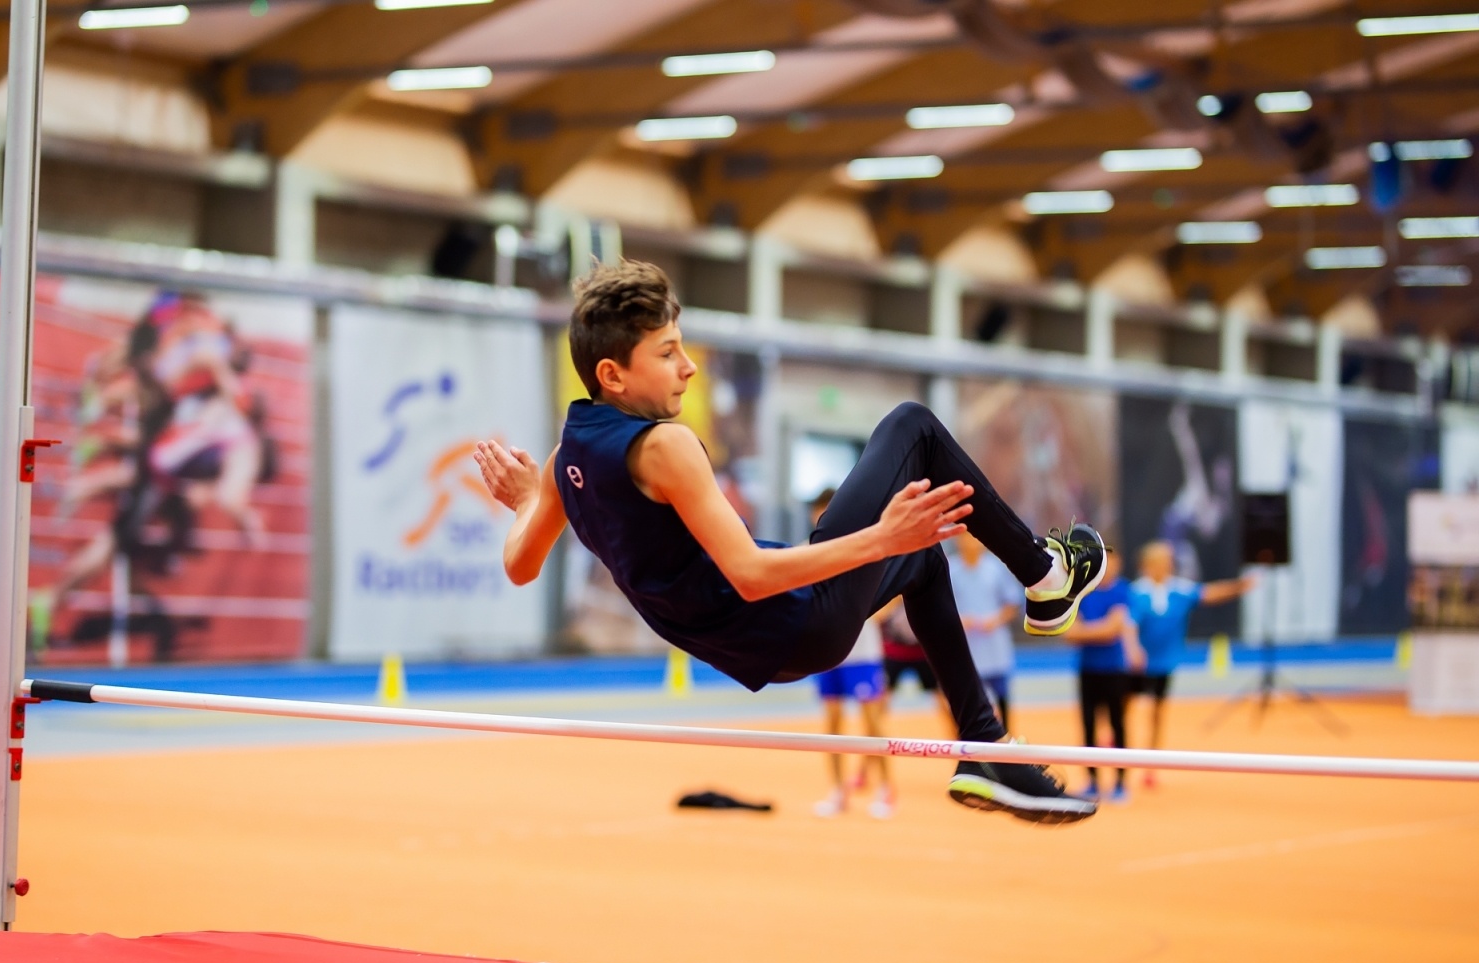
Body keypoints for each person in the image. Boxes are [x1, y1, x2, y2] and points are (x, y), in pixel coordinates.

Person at [473, 261, 1109, 824]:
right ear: (613, 374)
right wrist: (878, 537)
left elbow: (519, 564)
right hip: (793, 617)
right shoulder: (665, 447)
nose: (689, 366)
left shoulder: (567, 460)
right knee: (912, 427)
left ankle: (983, 744)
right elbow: (750, 574)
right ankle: (1046, 578)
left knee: (921, 557)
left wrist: (531, 501)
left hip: (760, 646)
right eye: (668, 352)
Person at [1130, 540, 1256, 787]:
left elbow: (1211, 593)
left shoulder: (1179, 590)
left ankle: (1150, 764)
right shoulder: (1135, 592)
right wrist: (1133, 649)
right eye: (1159, 562)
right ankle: (1115, 746)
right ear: (1147, 565)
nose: (1164, 567)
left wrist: (1240, 587)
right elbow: (1128, 624)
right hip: (1135, 664)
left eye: (1167, 562)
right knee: (1124, 706)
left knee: (1157, 712)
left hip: (1163, 664)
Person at [805, 488, 895, 819]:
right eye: (817, 512)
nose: (820, 518)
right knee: (831, 722)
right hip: (827, 650)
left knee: (871, 721)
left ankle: (886, 789)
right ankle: (838, 791)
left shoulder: (863, 545)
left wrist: (871, 613)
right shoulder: (811, 548)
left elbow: (895, 588)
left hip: (863, 653)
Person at [1065, 554, 1144, 803]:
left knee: (1117, 725)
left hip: (1114, 669)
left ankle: (1120, 782)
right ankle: (1092, 781)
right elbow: (1070, 633)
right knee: (1088, 725)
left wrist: (1087, 631)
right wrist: (1102, 629)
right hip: (1088, 669)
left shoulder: (1122, 591)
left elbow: (1114, 629)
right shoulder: (1082, 592)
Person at [947, 532, 1024, 734]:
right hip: (966, 649)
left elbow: (1013, 603)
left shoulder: (995, 568)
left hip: (995, 647)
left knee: (1002, 700)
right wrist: (960, 620)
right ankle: (971, 750)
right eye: (965, 538)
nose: (970, 542)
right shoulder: (951, 570)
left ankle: (1005, 750)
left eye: (974, 537)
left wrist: (995, 619)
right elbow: (943, 605)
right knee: (968, 703)